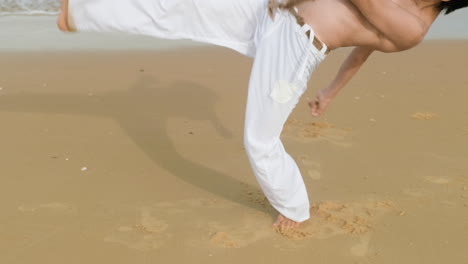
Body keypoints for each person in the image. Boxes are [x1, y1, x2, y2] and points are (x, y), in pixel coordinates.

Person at [57, 0, 468, 229]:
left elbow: (363, 27)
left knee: (260, 140)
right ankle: (78, 13)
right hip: (274, 12)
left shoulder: (413, 26)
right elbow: (364, 52)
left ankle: (294, 208)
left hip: (297, 45)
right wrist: (329, 91)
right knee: (185, 7)